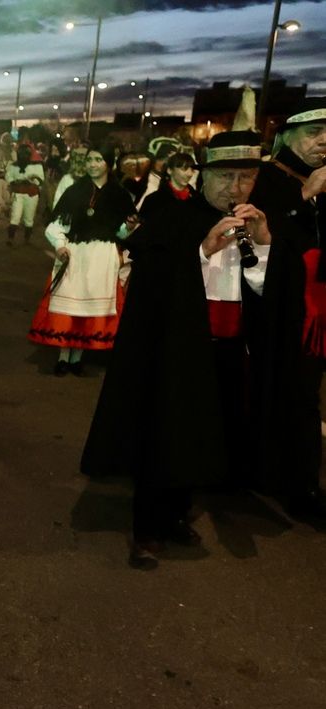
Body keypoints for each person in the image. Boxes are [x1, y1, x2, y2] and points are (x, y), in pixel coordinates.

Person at [82, 132, 273, 568]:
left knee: (206, 435)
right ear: (204, 175)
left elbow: (264, 290)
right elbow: (152, 276)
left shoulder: (258, 221)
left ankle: (176, 515)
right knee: (163, 434)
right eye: (225, 176)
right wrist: (204, 251)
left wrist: (261, 244)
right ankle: (146, 528)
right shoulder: (171, 215)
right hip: (177, 347)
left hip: (227, 348)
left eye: (245, 177)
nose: (235, 188)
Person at [247, 96, 326, 523]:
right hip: (284, 312)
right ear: (288, 136)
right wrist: (304, 196)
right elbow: (264, 241)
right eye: (314, 133)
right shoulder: (267, 179)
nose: (324, 143)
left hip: (321, 312)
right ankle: (299, 487)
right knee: (295, 398)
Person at [29, 149, 134, 375]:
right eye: (89, 160)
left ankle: (77, 358)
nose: (92, 164)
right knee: (71, 308)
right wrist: (60, 245)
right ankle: (63, 357)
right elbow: (55, 226)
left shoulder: (120, 195)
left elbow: (121, 233)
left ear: (108, 163)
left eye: (98, 159)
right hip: (76, 255)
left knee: (89, 311)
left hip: (102, 258)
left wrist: (130, 227)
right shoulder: (74, 191)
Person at [5, 143, 44, 245]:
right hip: (18, 193)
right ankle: (11, 238)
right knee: (15, 216)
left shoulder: (37, 165)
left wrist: (32, 180)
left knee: (29, 218)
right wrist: (13, 181)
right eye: (21, 153)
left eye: (25, 153)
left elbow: (41, 180)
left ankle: (27, 238)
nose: (23, 155)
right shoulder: (14, 165)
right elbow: (8, 176)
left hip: (31, 194)